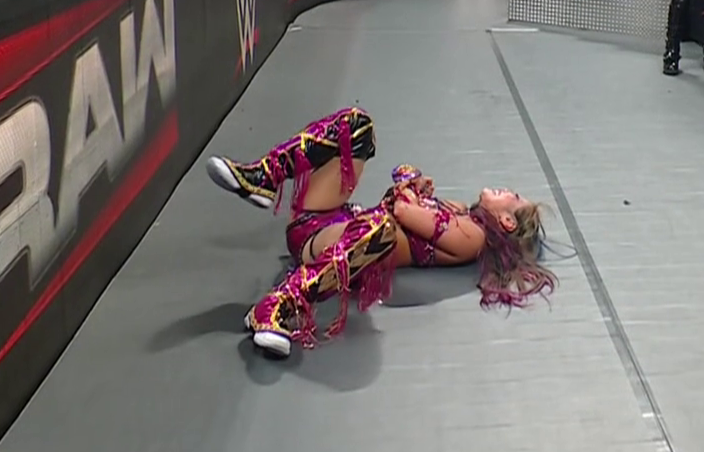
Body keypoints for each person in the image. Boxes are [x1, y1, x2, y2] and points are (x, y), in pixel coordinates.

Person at [203, 108, 554, 360]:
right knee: (358, 125)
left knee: (379, 230)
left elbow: (399, 211)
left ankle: (279, 305)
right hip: (327, 218)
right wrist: (413, 187)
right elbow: (401, 201)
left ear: (507, 222)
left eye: (514, 198)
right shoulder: (461, 210)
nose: (508, 190)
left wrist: (408, 188)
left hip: (326, 248)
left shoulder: (472, 238)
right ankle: (264, 176)